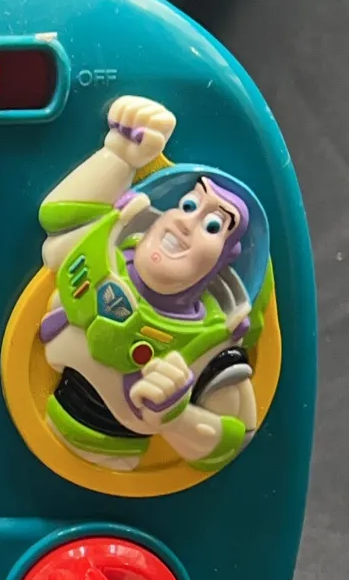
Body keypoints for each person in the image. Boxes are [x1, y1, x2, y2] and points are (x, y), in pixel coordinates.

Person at [36, 95, 271, 473]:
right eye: (189, 205)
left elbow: (236, 437)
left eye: (213, 226)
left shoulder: (211, 345)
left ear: (225, 259)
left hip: (115, 462)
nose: (187, 222)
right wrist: (120, 154)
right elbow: (58, 217)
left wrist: (176, 417)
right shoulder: (103, 245)